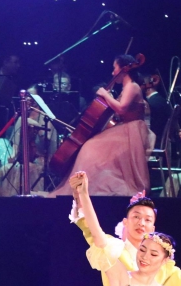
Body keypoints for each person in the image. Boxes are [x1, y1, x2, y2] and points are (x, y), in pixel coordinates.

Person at [51, 55, 155, 196]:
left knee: (90, 148)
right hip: (125, 128)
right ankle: (89, 187)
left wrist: (106, 95)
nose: (113, 72)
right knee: (91, 147)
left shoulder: (132, 86)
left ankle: (95, 187)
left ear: (124, 69)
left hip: (132, 131)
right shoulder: (127, 87)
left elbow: (121, 108)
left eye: (114, 68)